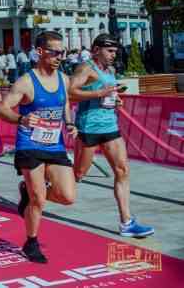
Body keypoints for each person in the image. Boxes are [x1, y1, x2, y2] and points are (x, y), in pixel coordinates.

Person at [0, 31, 77, 264]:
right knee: (39, 200)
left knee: (67, 196)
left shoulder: (64, 79)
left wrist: (69, 123)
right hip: (29, 144)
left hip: (54, 145)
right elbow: (2, 108)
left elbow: (65, 102)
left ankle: (28, 192)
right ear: (40, 52)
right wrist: (20, 119)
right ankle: (31, 242)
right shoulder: (26, 82)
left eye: (62, 52)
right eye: (54, 52)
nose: (60, 56)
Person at [69, 34, 154, 238]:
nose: (113, 55)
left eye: (115, 51)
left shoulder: (111, 70)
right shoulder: (86, 68)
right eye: (110, 51)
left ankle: (126, 222)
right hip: (89, 127)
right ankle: (39, 189)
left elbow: (108, 93)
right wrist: (99, 94)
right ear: (96, 50)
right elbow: (70, 92)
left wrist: (115, 100)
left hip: (110, 126)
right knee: (78, 174)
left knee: (122, 170)